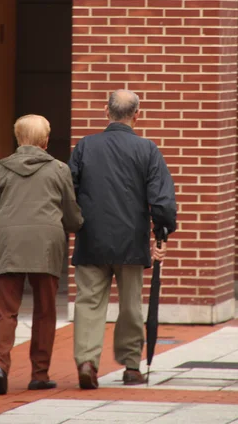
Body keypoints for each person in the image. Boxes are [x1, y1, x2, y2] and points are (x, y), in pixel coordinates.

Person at [69, 89, 177, 389]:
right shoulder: (147, 150)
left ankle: (88, 361)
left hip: (91, 238)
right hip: (131, 239)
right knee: (131, 305)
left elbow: (68, 190)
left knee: (89, 302)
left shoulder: (85, 146)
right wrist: (162, 232)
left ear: (107, 111)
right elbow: (162, 200)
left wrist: (74, 223)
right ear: (137, 115)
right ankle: (131, 366)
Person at [0, 114, 83, 396]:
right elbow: (72, 214)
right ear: (45, 140)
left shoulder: (2, 168)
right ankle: (39, 374)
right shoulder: (59, 169)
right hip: (45, 244)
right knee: (45, 311)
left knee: (5, 311)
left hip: (8, 244)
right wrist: (77, 225)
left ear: (18, 138)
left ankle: (0, 367)